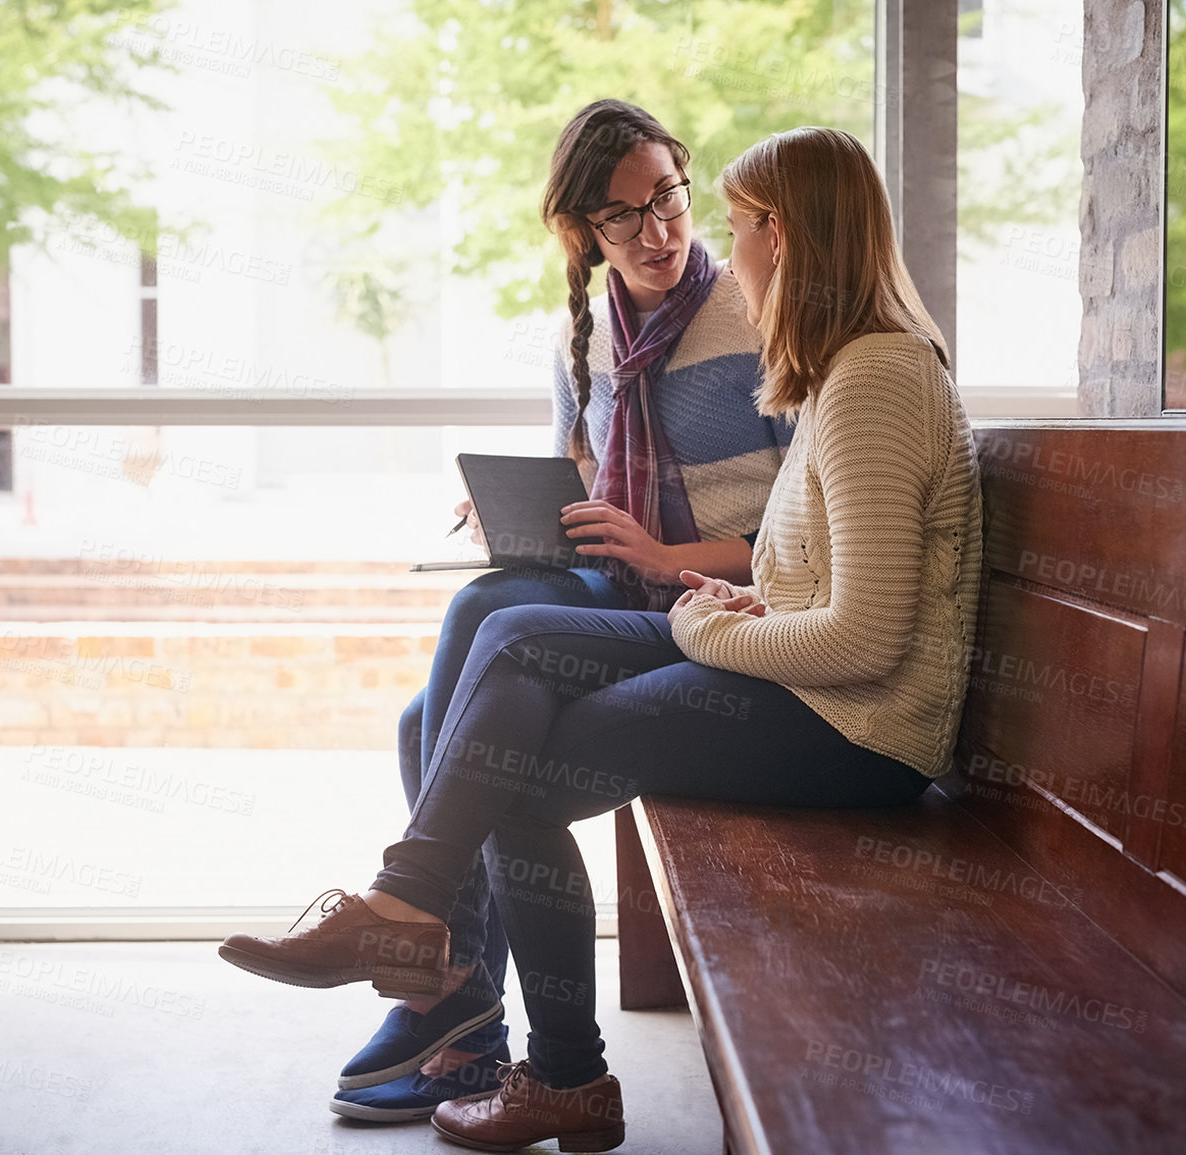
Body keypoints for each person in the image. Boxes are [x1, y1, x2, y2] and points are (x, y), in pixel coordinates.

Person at [220, 125, 983, 1153]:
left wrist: (708, 620)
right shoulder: (851, 374)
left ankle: (486, 995)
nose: (712, 245)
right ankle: (452, 957)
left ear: (781, 235)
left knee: (510, 749)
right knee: (509, 646)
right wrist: (739, 609)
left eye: (725, 223)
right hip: (807, 686)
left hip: (857, 731)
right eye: (634, 213)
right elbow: (827, 591)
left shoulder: (875, 382)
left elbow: (869, 641)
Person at [325, 99, 792, 1123]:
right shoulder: (581, 337)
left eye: (666, 197)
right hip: (613, 581)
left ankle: (450, 991)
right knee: (479, 618)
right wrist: (517, 516)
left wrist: (668, 554)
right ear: (583, 230)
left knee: (442, 717)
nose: (656, 231)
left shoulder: (757, 313)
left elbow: (807, 536)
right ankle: (457, 990)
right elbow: (585, 483)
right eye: (621, 216)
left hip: (717, 595)